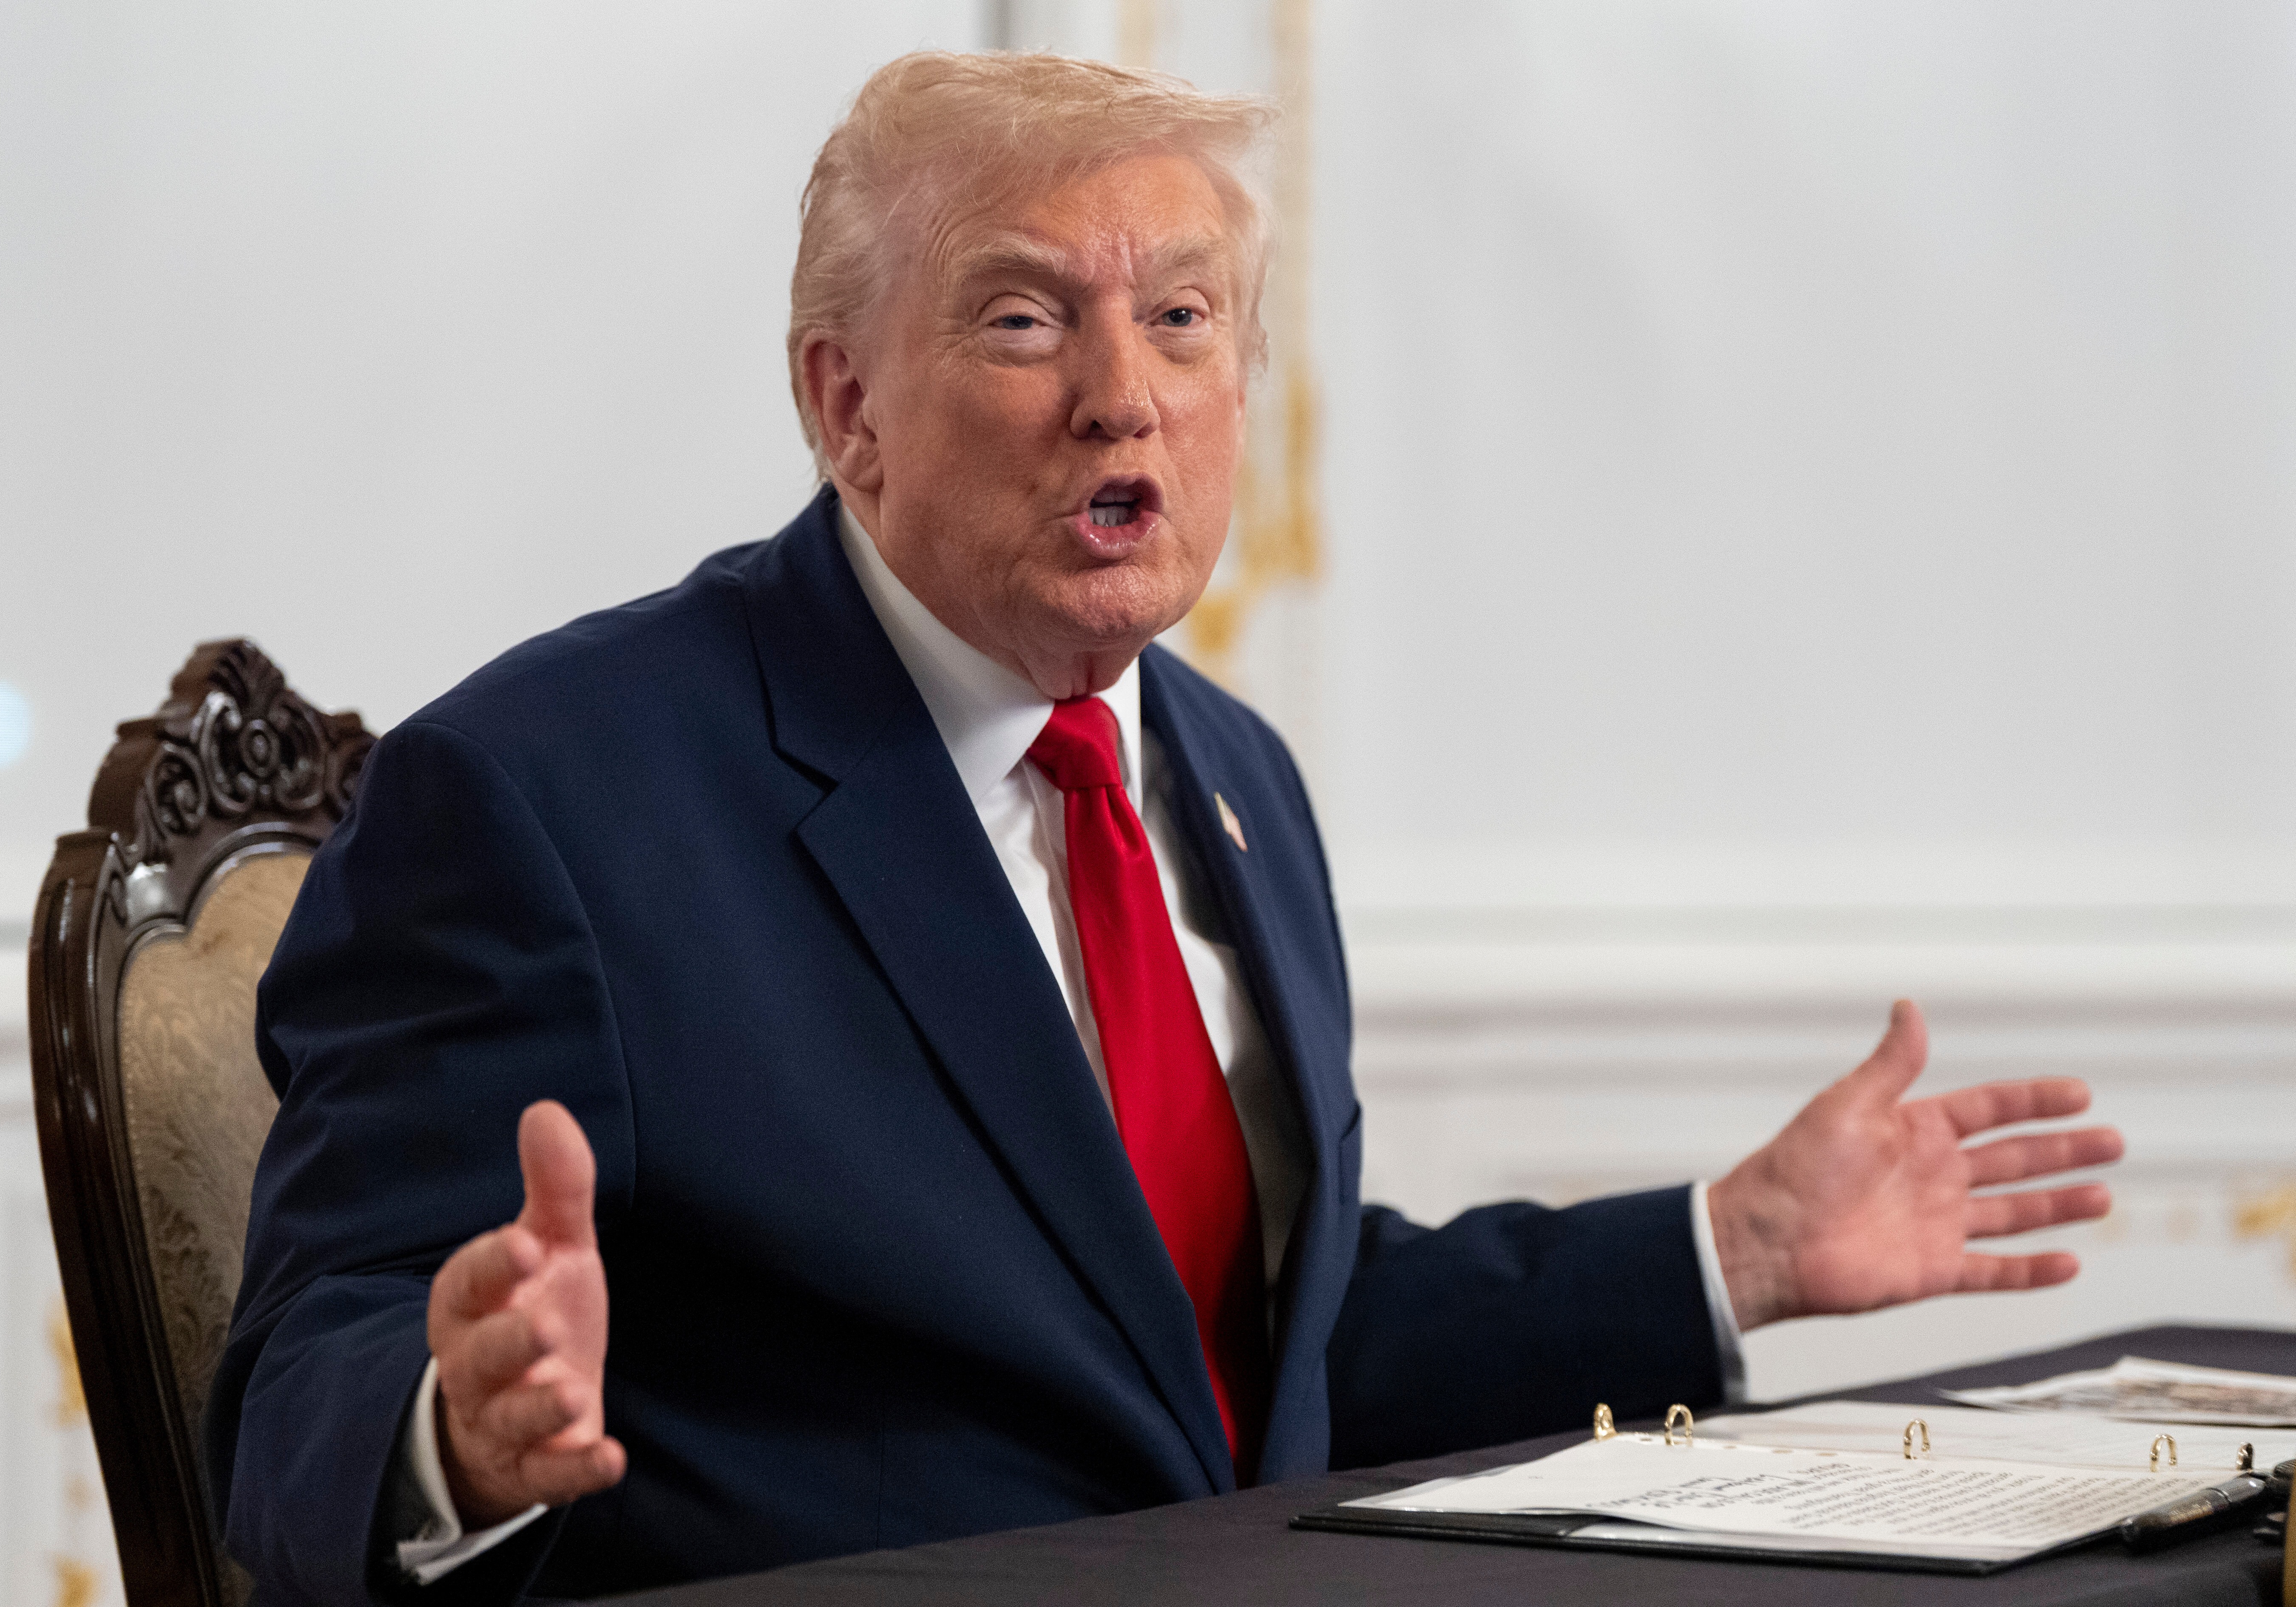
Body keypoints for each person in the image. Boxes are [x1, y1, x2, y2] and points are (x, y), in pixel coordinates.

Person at [208, 50, 2123, 1604]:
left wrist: (1728, 1251)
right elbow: (303, 1391)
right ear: (845, 402)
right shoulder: (542, 796)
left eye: (1184, 321)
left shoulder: (1226, 775)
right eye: (1025, 319)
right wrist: (450, 1435)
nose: (1121, 398)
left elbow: (1249, 1366)